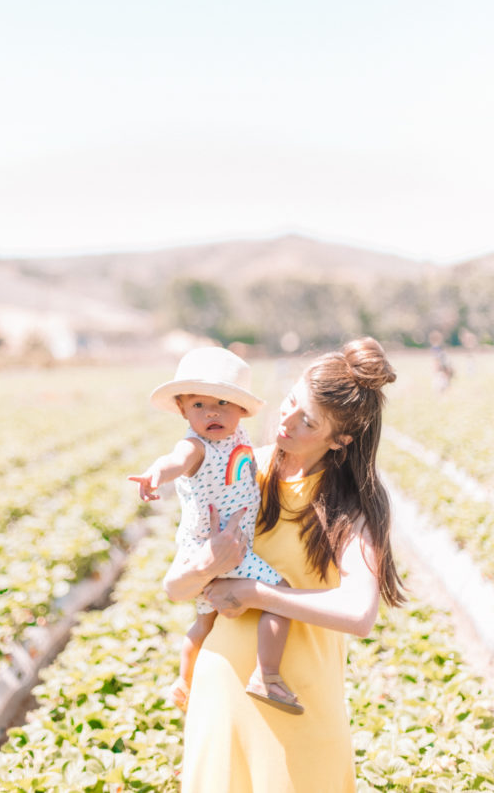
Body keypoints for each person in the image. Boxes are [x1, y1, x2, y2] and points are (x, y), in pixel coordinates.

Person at [163, 337, 406, 793]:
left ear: (342, 439)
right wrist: (205, 566)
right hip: (221, 694)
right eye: (290, 400)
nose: (286, 421)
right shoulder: (241, 469)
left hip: (299, 701)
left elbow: (359, 613)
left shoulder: (350, 507)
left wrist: (256, 594)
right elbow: (175, 588)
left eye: (307, 420)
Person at [129, 347, 302, 714]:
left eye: (223, 402)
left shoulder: (238, 441)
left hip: (209, 549)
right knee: (282, 596)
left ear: (241, 410)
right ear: (182, 411)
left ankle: (183, 681)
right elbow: (176, 460)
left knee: (204, 621)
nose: (211, 413)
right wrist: (157, 474)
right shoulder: (196, 446)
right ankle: (267, 676)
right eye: (198, 405)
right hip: (224, 548)